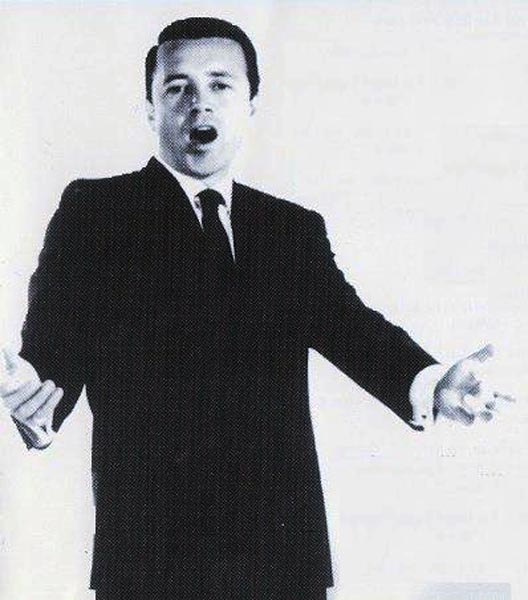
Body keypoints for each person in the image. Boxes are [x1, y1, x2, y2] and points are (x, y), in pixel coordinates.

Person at [0, 16, 513, 600]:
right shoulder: (96, 212)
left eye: (220, 85)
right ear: (150, 109)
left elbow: (352, 327)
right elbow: (51, 359)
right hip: (151, 560)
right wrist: (31, 399)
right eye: (177, 87)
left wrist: (432, 382)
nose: (199, 103)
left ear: (250, 106)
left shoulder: (289, 229)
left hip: (283, 559)